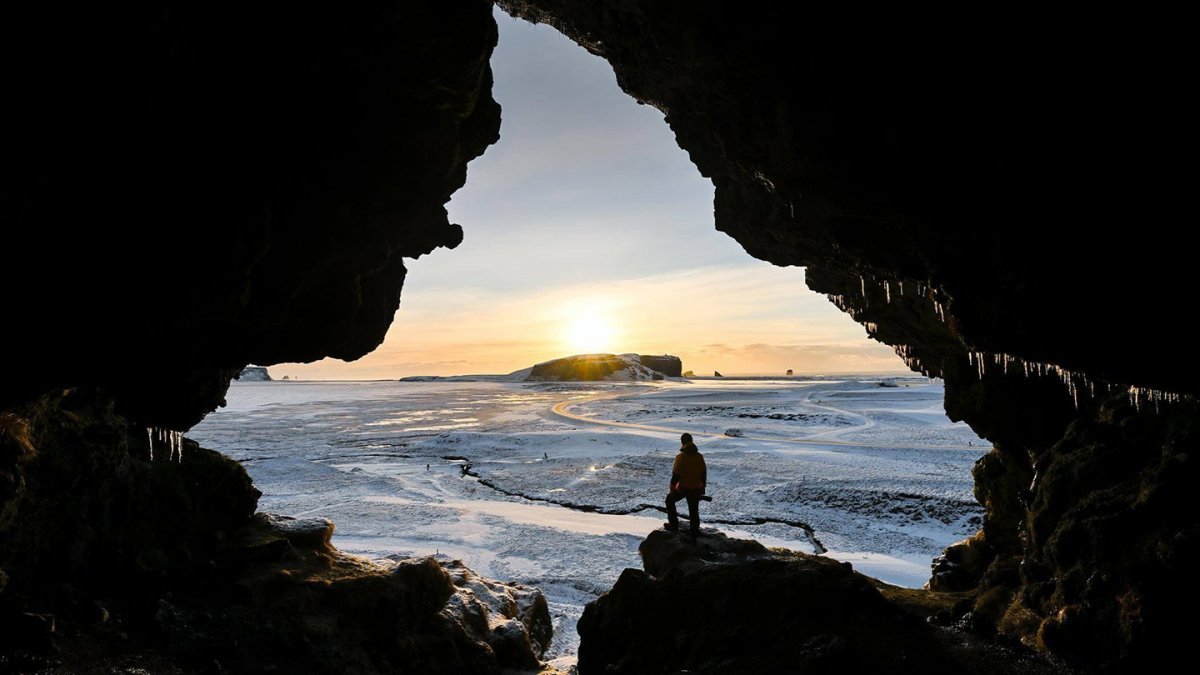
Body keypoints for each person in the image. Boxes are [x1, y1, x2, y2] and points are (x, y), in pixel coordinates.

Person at [665, 432, 706, 540]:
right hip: (696, 488)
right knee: (693, 511)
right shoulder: (699, 457)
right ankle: (694, 532)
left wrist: (672, 489)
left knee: (669, 501)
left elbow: (676, 476)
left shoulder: (681, 457)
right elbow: (703, 473)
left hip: (683, 488)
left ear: (682, 442)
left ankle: (674, 525)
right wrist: (702, 489)